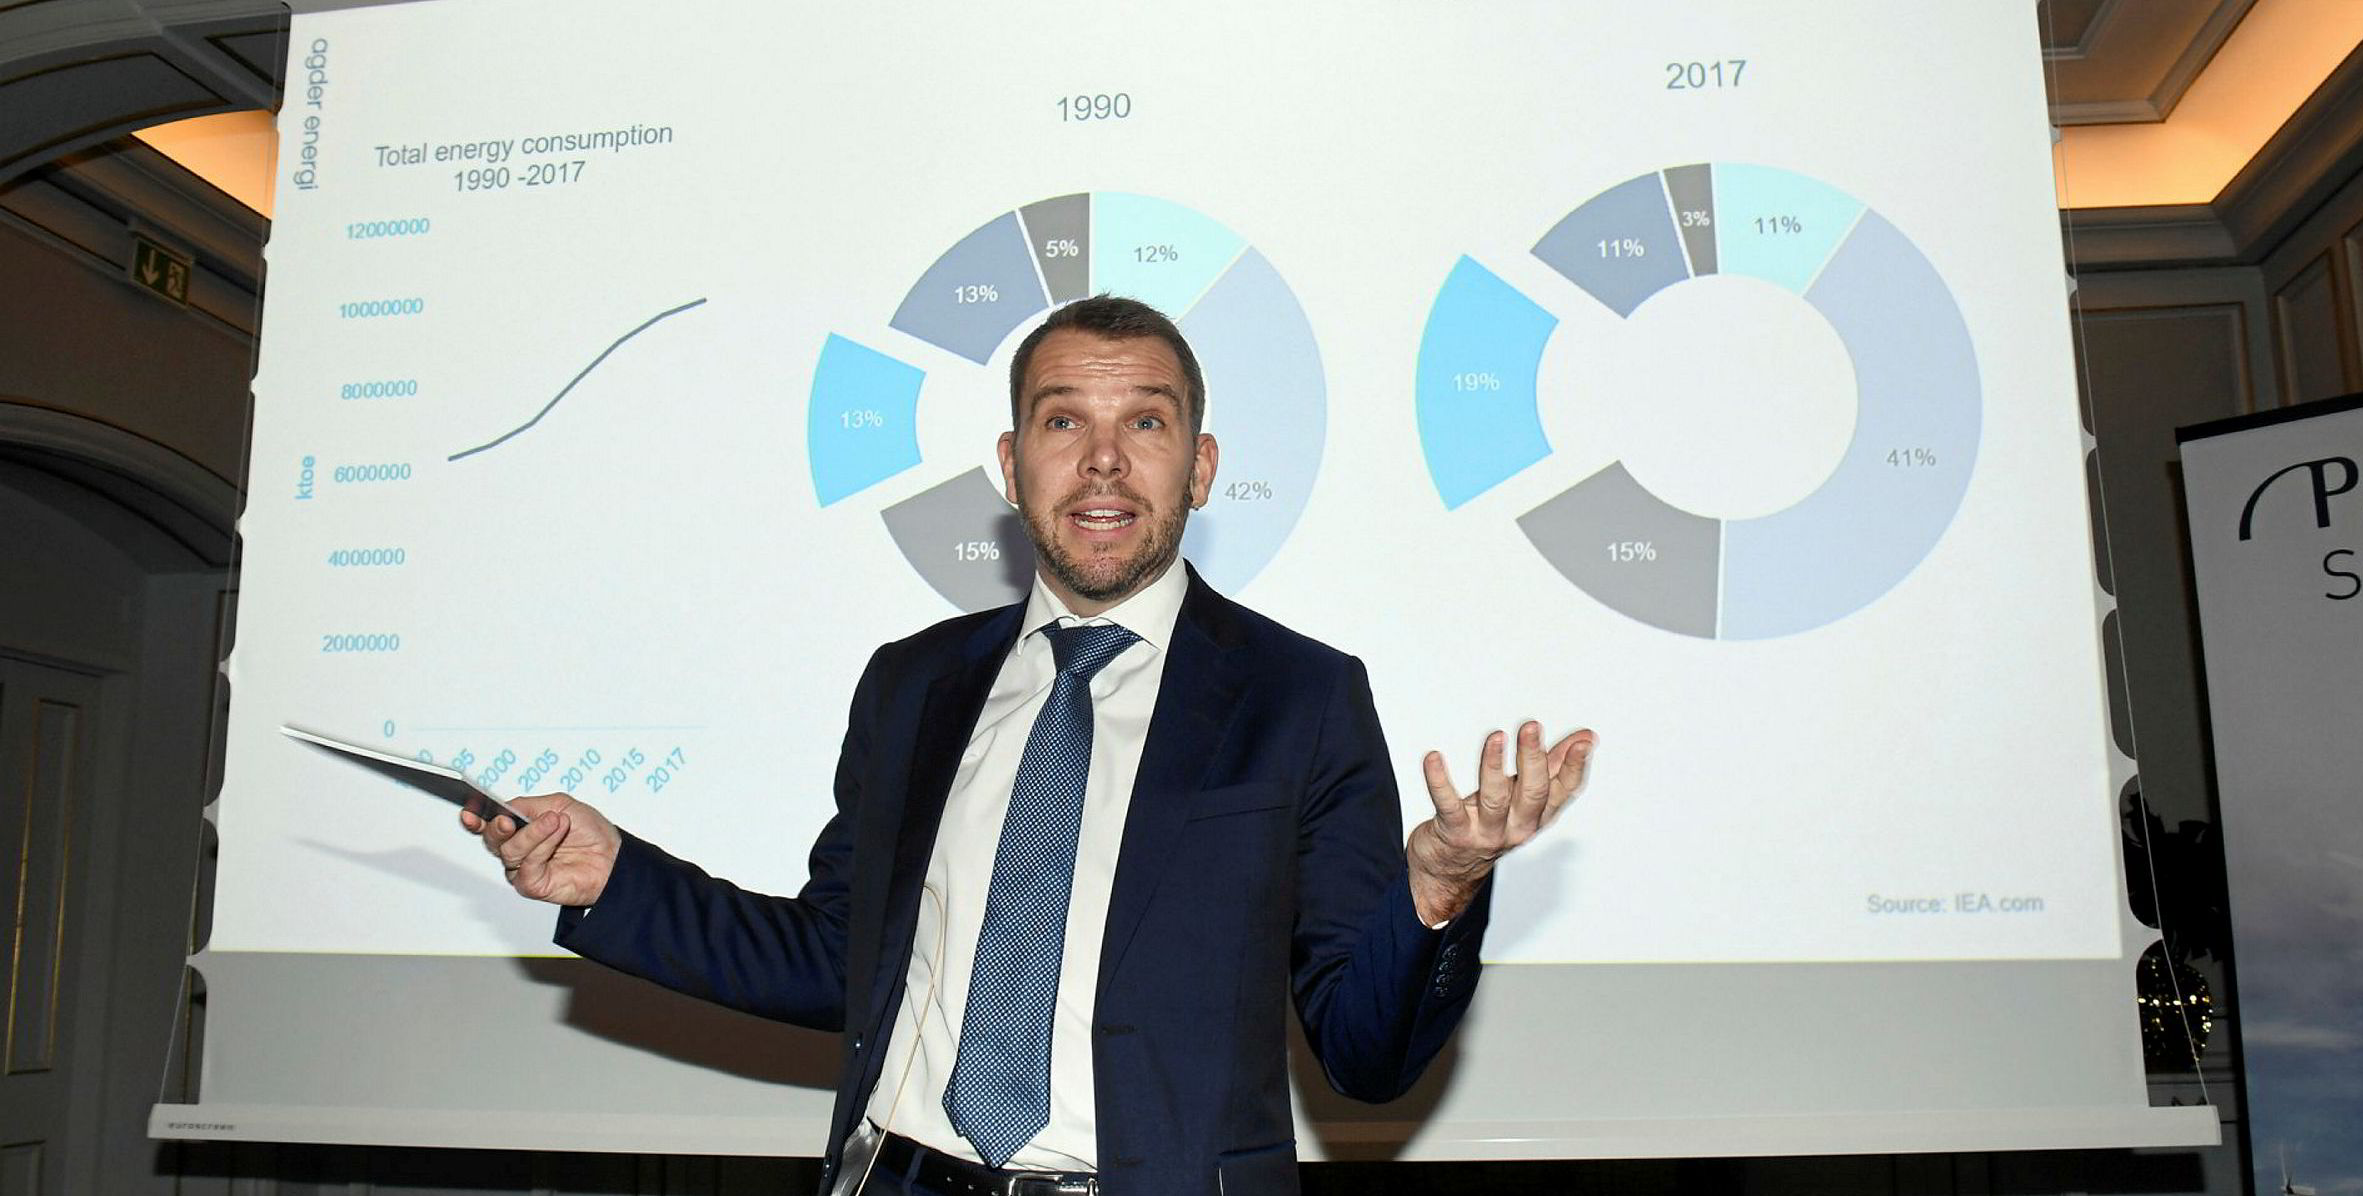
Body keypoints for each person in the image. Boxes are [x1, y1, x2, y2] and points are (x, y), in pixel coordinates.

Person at [466, 295, 1594, 1196]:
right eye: (1064, 423)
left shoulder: (1300, 697)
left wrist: (1438, 890)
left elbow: (1367, 1053)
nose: (1103, 461)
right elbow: (837, 960)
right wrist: (616, 877)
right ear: (1011, 466)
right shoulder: (913, 683)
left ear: (1200, 466)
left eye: (1145, 423)